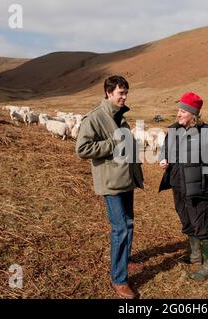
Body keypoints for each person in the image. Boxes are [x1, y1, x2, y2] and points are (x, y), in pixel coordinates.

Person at [158, 92, 208, 281]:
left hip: (199, 189)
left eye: (183, 111)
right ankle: (195, 255)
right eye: (178, 110)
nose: (178, 114)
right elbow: (165, 148)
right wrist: (163, 158)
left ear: (193, 114)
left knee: (202, 225)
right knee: (186, 221)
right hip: (178, 185)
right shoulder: (173, 130)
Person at [75, 75, 144, 299]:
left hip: (126, 179)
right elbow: (82, 148)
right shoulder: (95, 118)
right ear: (108, 93)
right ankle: (119, 279)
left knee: (130, 223)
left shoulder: (120, 116)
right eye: (120, 93)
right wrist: (113, 143)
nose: (124, 97)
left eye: (126, 93)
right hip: (111, 183)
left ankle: (125, 261)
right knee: (120, 228)